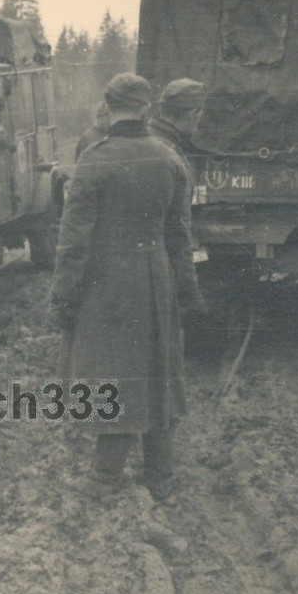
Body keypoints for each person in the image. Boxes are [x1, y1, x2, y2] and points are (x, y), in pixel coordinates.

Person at [51, 72, 204, 500]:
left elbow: (73, 242)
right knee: (157, 368)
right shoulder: (170, 159)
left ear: (108, 103)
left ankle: (105, 477)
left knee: (111, 373)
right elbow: (180, 237)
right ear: (147, 108)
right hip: (156, 277)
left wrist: (62, 298)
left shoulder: (94, 160)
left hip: (107, 281)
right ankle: (161, 475)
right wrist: (188, 293)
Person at [149, 78, 208, 202]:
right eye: (200, 111)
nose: (201, 116)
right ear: (193, 113)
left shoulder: (156, 140)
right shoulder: (167, 150)